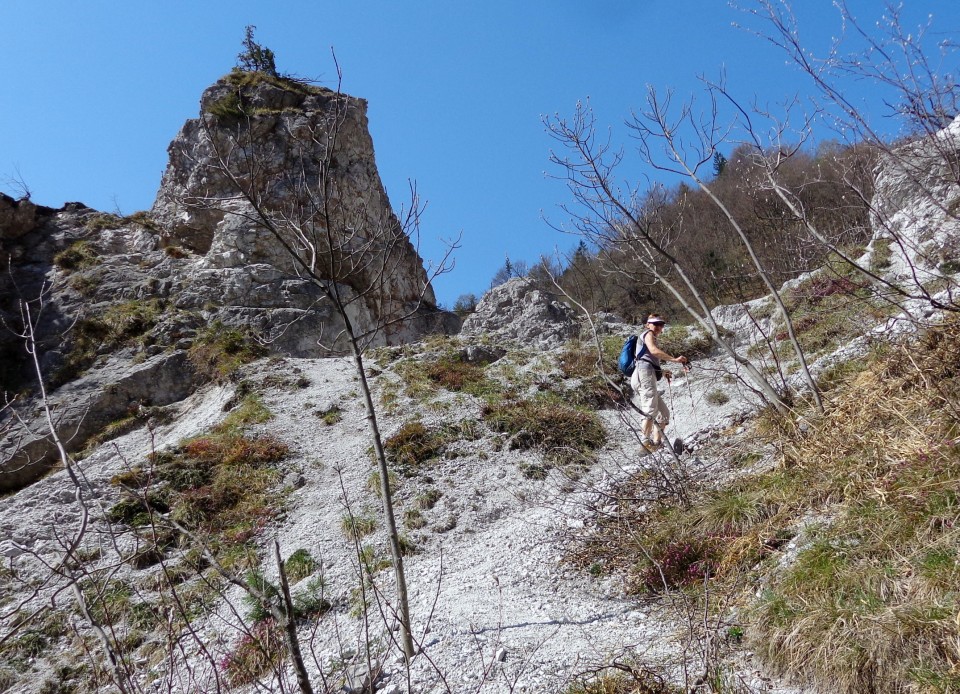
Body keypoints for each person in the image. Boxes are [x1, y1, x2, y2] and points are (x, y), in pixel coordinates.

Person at [630, 314, 688, 451]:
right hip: (643, 375)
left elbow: (648, 360)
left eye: (661, 324)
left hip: (645, 375)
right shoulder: (648, 334)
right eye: (655, 324)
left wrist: (662, 372)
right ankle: (644, 444)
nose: (659, 327)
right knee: (650, 409)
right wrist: (674, 360)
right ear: (647, 325)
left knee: (664, 414)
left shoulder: (650, 337)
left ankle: (656, 444)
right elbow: (654, 351)